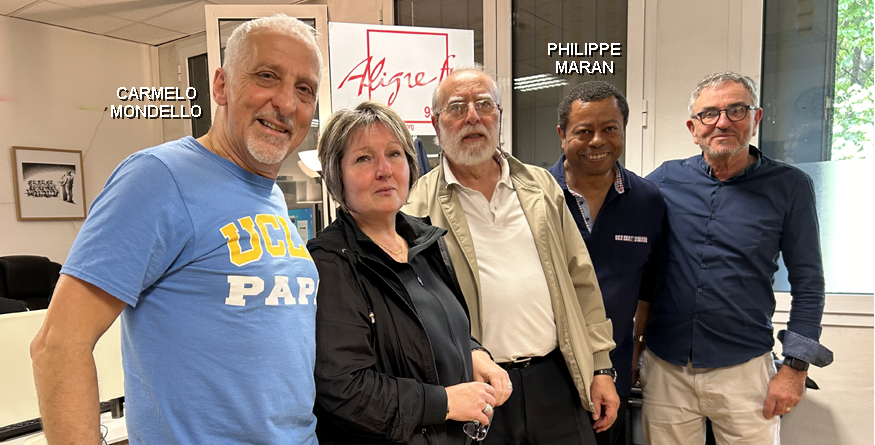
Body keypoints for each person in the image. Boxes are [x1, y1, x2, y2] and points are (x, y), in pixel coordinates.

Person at [30, 15, 324, 444]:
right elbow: (57, 347)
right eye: (266, 76)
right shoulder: (158, 177)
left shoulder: (271, 196)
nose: (286, 102)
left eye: (304, 89)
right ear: (221, 86)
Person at [404, 65, 618, 445]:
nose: (473, 116)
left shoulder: (541, 186)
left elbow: (581, 280)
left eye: (484, 104)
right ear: (436, 124)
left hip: (556, 380)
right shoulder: (414, 206)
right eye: (457, 107)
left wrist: (600, 367)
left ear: (499, 117)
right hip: (475, 390)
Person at [641, 71, 833, 444]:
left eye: (736, 110)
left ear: (755, 119)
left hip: (744, 369)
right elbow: (641, 268)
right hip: (666, 369)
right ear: (693, 128)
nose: (723, 122)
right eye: (709, 114)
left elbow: (809, 283)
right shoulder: (663, 181)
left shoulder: (790, 187)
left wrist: (795, 368)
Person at [307, 101, 511, 445]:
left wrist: (474, 353)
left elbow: (434, 330)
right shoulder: (331, 263)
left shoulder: (424, 242)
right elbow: (345, 390)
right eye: (363, 158)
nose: (384, 170)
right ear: (336, 175)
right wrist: (445, 403)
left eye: (394, 154)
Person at [548, 81, 666, 445]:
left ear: (624, 131)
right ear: (562, 135)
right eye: (584, 131)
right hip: (545, 375)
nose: (597, 141)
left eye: (610, 129)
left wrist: (637, 349)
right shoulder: (536, 196)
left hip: (613, 373)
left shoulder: (647, 201)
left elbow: (647, 286)